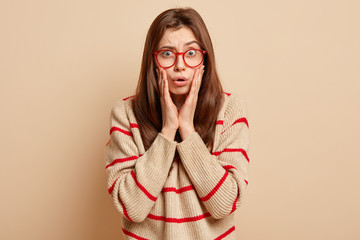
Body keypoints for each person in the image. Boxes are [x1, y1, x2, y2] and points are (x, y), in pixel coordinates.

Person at [104, 7, 251, 240]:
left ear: (205, 58)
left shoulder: (230, 109)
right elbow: (132, 208)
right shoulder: (125, 113)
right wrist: (168, 131)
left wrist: (188, 131)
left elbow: (225, 204)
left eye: (191, 53)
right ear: (153, 61)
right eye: (167, 53)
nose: (179, 65)